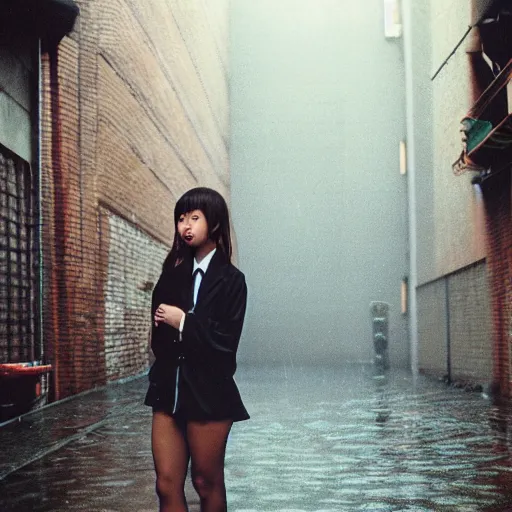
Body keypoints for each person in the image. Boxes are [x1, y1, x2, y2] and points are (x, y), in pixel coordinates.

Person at [145, 187, 249, 512]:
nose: (185, 226)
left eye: (194, 218)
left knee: (206, 482)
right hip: (168, 390)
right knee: (165, 484)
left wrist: (184, 323)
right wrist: (176, 331)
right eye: (180, 218)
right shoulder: (171, 277)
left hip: (210, 396)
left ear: (214, 223)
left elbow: (224, 347)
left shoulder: (232, 281)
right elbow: (158, 341)